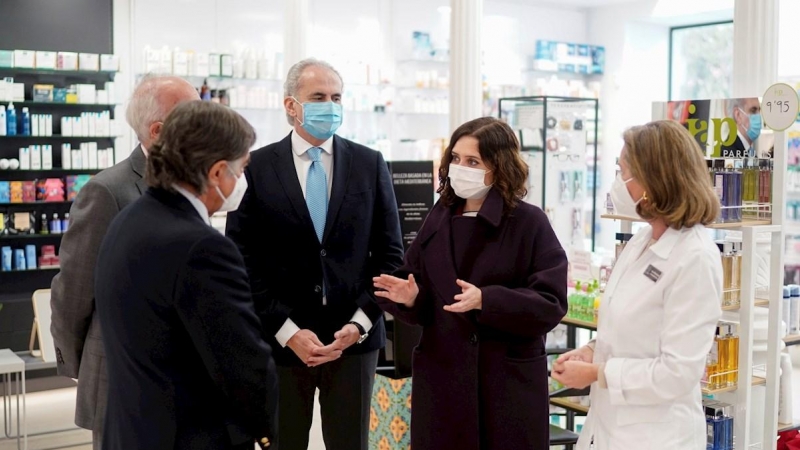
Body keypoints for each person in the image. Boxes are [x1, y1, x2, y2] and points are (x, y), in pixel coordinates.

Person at [225, 58, 403, 450]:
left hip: (352, 344)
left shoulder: (369, 164)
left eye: (336, 97)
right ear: (291, 105)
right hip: (282, 344)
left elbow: (391, 255)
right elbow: (241, 261)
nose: (330, 105)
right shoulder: (256, 167)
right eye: (319, 97)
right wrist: (288, 332)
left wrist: (359, 324)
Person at [373, 117, 568, 450]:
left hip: (505, 387)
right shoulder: (439, 216)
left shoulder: (529, 222)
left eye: (473, 161)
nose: (460, 168)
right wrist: (410, 298)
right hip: (443, 382)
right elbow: (419, 287)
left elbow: (551, 304)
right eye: (456, 159)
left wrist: (487, 300)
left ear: (499, 166)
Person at [94, 101, 278, 450]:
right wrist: (266, 434)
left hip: (131, 432)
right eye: (241, 170)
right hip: (189, 436)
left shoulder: (128, 221)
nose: (242, 181)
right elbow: (243, 364)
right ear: (217, 172)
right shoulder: (202, 247)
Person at [552, 119, 723, 450]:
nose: (619, 183)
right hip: (611, 428)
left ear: (655, 182)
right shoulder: (643, 240)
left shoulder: (695, 257)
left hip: (658, 436)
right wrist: (591, 352)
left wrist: (597, 374)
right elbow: (630, 327)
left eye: (624, 172)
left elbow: (677, 373)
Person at [49, 74, 199, 448]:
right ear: (159, 130)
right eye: (194, 115)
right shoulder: (107, 190)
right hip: (123, 379)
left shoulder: (196, 184)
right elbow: (74, 291)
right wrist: (85, 364)